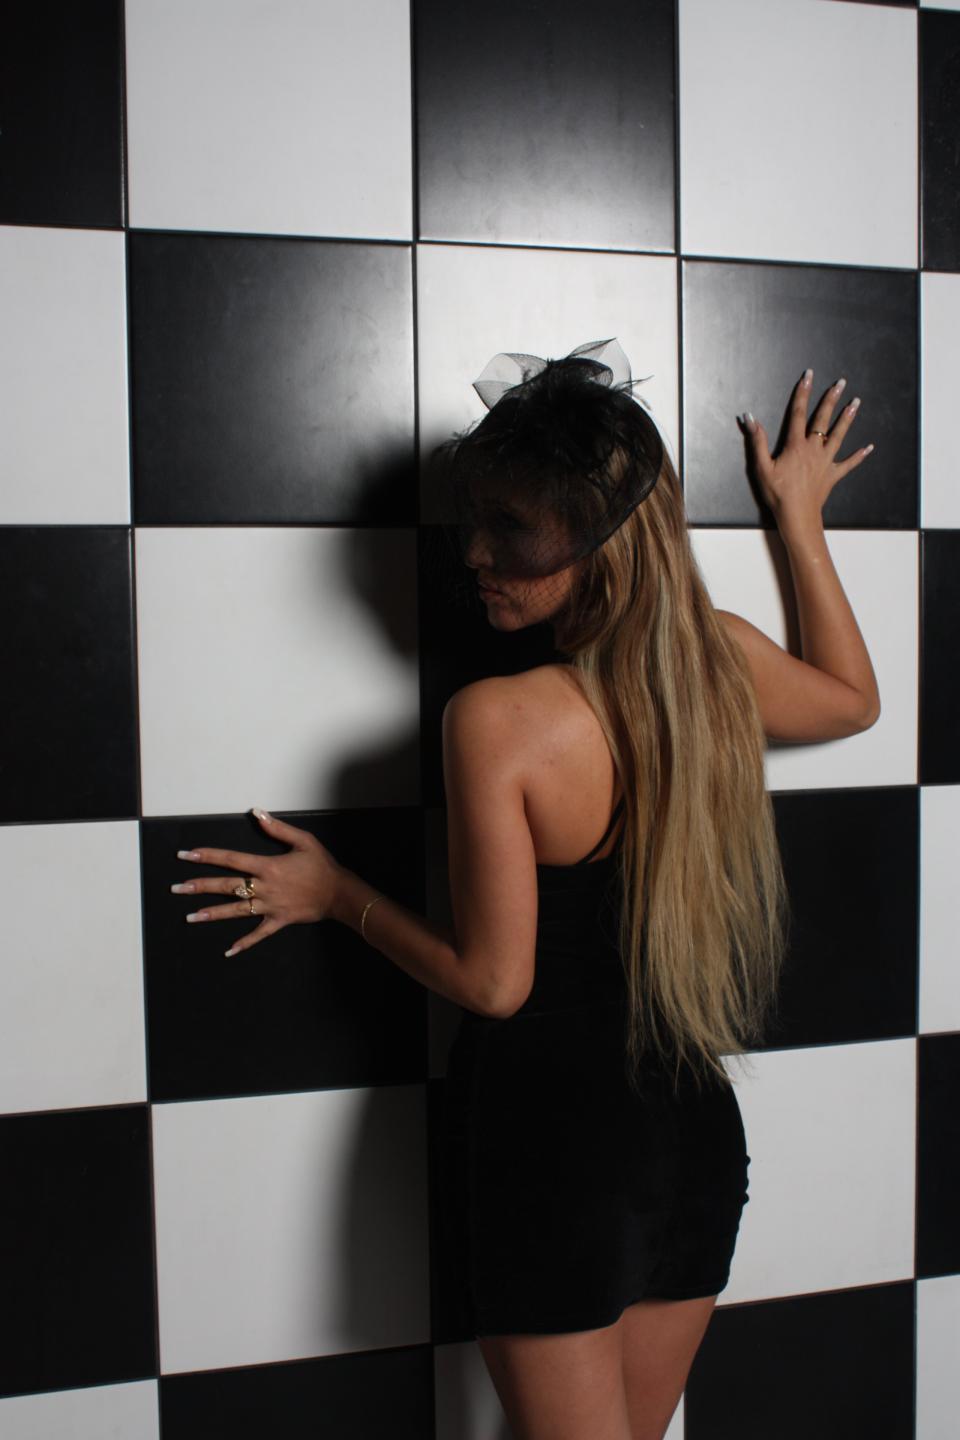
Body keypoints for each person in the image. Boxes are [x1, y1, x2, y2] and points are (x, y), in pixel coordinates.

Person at [171, 342, 881, 1440]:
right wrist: (799, 518)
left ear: (597, 544)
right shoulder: (720, 663)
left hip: (554, 1147)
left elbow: (495, 984)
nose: (477, 555)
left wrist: (337, 894)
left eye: (511, 529)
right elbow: (852, 701)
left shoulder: (496, 723)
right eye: (480, 522)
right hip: (690, 1132)